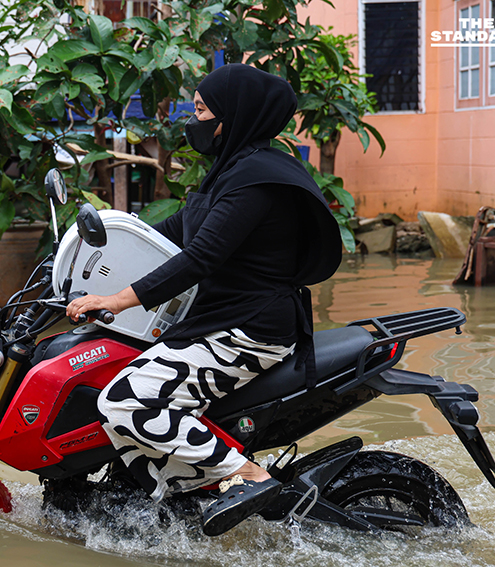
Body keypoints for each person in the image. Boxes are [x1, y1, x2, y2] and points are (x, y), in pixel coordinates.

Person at [66, 63, 342, 536]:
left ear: (233, 115)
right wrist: (86, 248)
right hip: (223, 317)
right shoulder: (230, 172)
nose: (192, 122)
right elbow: (166, 237)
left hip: (250, 329)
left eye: (200, 109)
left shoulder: (258, 179)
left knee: (125, 402)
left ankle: (246, 474)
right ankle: (173, 508)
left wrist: (117, 298)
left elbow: (199, 258)